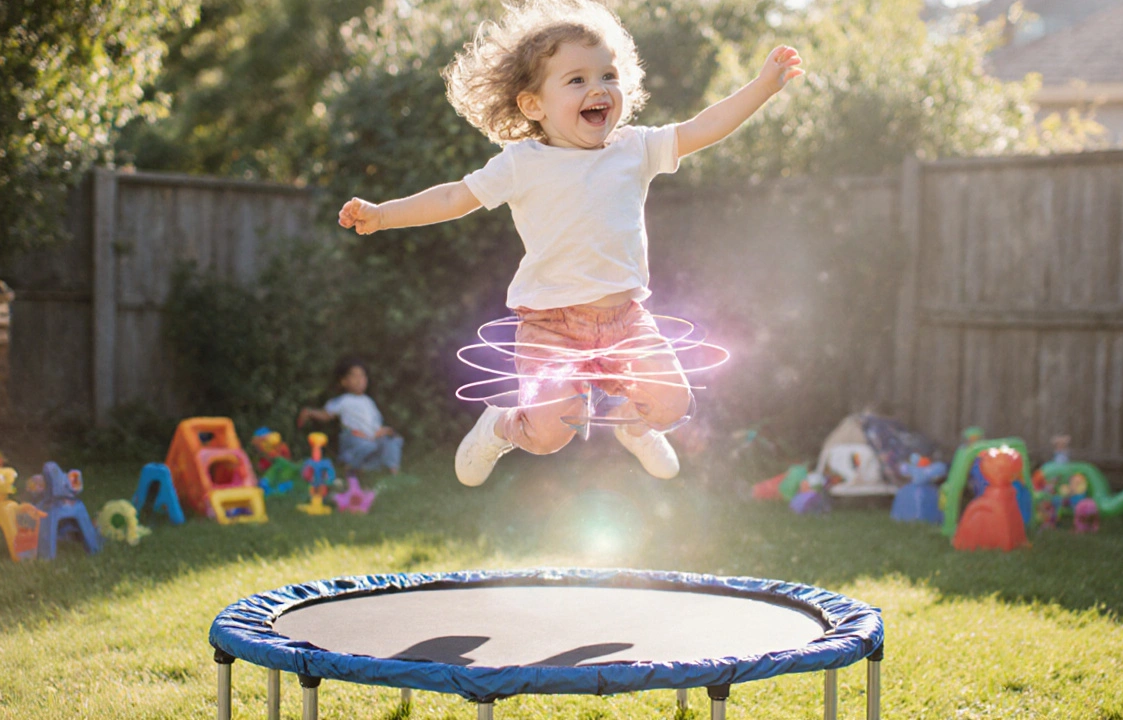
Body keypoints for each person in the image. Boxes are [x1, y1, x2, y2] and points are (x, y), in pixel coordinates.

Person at [337, 0, 803, 486]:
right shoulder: (522, 163)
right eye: (576, 80)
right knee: (548, 434)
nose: (598, 88)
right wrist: (383, 214)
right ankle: (500, 425)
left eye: (608, 75)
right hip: (550, 326)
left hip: (625, 318)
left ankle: (635, 424)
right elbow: (456, 197)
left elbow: (702, 128)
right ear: (533, 104)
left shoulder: (634, 148)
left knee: (672, 403)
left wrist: (764, 86)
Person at [297, 357, 403, 475]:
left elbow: (376, 423)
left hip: (371, 439)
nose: (359, 380)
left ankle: (392, 471)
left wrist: (383, 431)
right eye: (354, 376)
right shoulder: (343, 400)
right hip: (354, 438)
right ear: (344, 381)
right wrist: (310, 412)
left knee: (393, 442)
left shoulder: (369, 402)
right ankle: (350, 465)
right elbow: (326, 415)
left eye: (362, 376)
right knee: (365, 446)